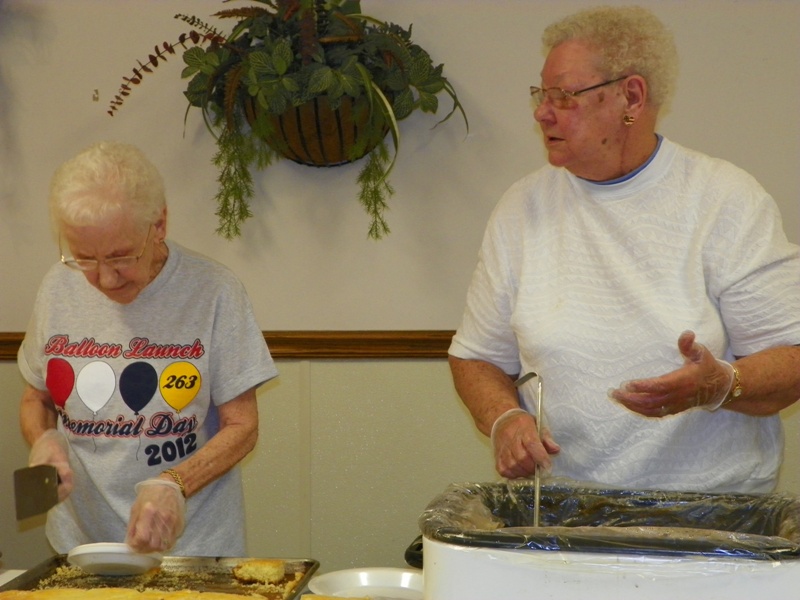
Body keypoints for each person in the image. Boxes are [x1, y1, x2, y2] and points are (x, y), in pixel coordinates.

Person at [449, 6, 800, 494]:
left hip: (711, 515)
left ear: (631, 97)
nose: (542, 112)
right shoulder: (522, 207)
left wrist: (720, 384)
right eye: (541, 94)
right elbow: (476, 358)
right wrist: (505, 418)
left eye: (563, 96)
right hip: (562, 509)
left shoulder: (724, 199)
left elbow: (792, 358)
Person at [18, 141, 278, 556]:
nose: (105, 279)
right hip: (80, 546)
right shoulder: (56, 287)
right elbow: (37, 398)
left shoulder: (214, 291)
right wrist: (43, 438)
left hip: (191, 550)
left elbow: (243, 427)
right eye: (85, 259)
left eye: (120, 256)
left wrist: (176, 483)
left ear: (159, 224)